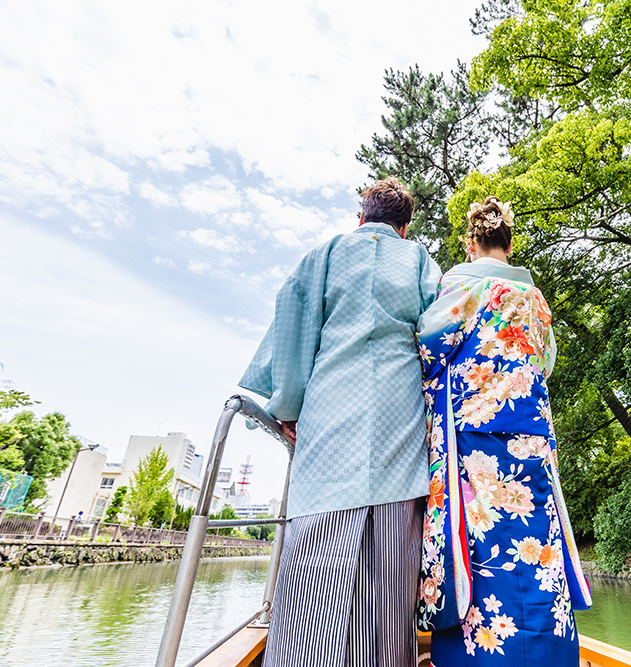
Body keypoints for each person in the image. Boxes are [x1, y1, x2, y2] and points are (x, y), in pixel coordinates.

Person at [238, 177, 443, 667]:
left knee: (313, 570)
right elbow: (438, 333)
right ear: (405, 226)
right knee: (390, 570)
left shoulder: (324, 255)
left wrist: (288, 407)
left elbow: (294, 329)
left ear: (361, 217)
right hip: (398, 422)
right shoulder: (420, 261)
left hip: (330, 419)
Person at [415, 196, 592, 665]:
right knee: (538, 538)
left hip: (471, 429)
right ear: (509, 246)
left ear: (471, 244)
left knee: (478, 536)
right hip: (529, 428)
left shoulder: (460, 285)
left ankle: (478, 654)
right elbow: (545, 361)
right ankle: (549, 652)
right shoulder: (535, 298)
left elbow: (429, 346)